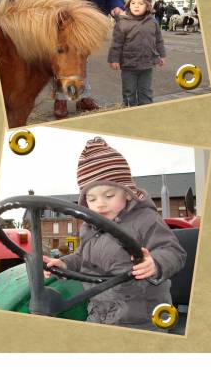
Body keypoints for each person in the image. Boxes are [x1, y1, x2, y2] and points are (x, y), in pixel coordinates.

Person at [43, 137, 186, 331]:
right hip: (99, 312)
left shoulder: (146, 219)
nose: (100, 204)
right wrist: (65, 263)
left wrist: (156, 263)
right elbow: (83, 257)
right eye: (92, 199)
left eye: (108, 196)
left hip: (141, 315)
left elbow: (173, 251)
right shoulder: (89, 227)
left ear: (127, 193)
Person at [45, 0, 127, 118]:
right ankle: (61, 98)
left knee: (82, 58)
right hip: (65, 12)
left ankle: (81, 97)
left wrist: (116, 5)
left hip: (89, 18)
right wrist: (77, 15)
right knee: (66, 56)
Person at [108, 0, 165, 107]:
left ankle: (145, 111)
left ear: (148, 6)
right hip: (129, 65)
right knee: (129, 92)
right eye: (133, 3)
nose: (136, 6)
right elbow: (116, 43)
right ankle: (129, 111)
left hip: (147, 65)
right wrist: (114, 59)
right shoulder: (123, 23)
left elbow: (158, 39)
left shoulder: (153, 22)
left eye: (141, 3)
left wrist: (161, 55)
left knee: (146, 92)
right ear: (129, 4)